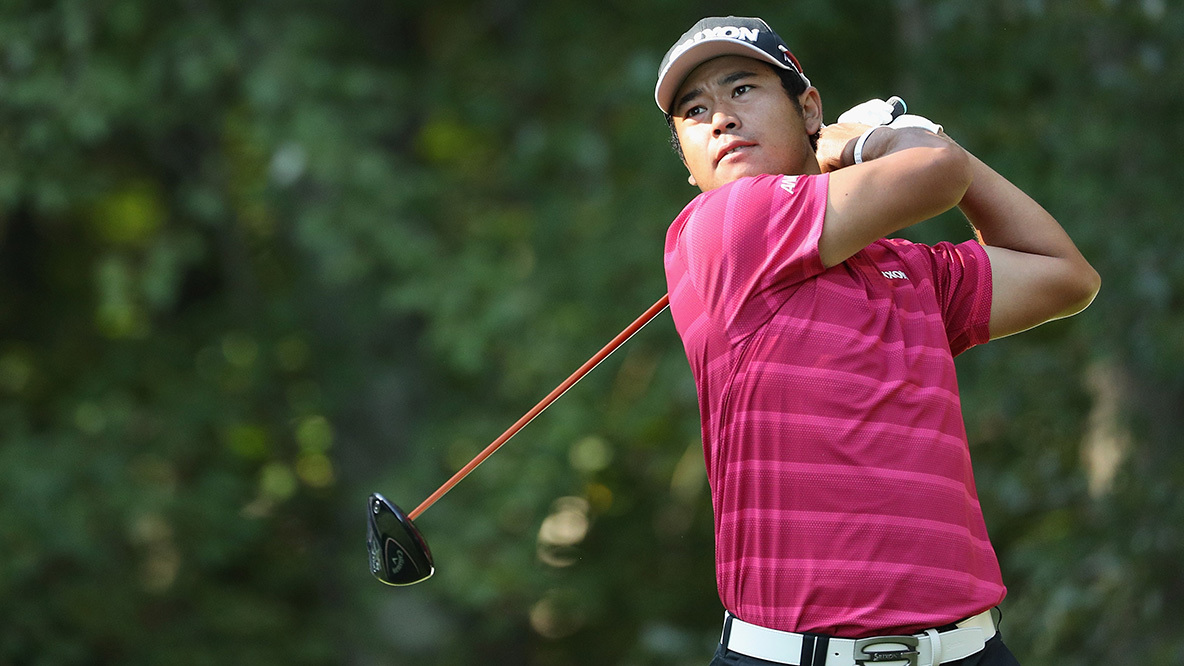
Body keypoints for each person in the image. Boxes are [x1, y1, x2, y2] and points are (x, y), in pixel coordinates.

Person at [655, 16, 1100, 666]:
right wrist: (879, 141)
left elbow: (1065, 275)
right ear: (691, 170)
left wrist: (908, 150)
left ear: (809, 108)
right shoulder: (724, 224)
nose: (720, 118)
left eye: (742, 89)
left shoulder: (908, 269)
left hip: (970, 651)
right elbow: (936, 170)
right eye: (695, 112)